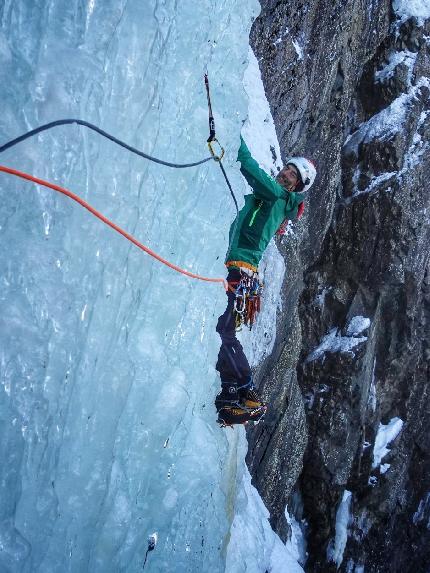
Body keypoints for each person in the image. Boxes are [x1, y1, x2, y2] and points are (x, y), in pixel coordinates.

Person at [215, 137, 317, 426]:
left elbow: (249, 167)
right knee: (223, 331)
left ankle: (247, 389)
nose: (285, 173)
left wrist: (234, 132)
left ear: (297, 186)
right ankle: (229, 398)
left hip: (242, 270)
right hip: (243, 271)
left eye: (293, 175)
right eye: (287, 168)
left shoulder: (277, 196)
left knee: (224, 331)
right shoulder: (273, 197)